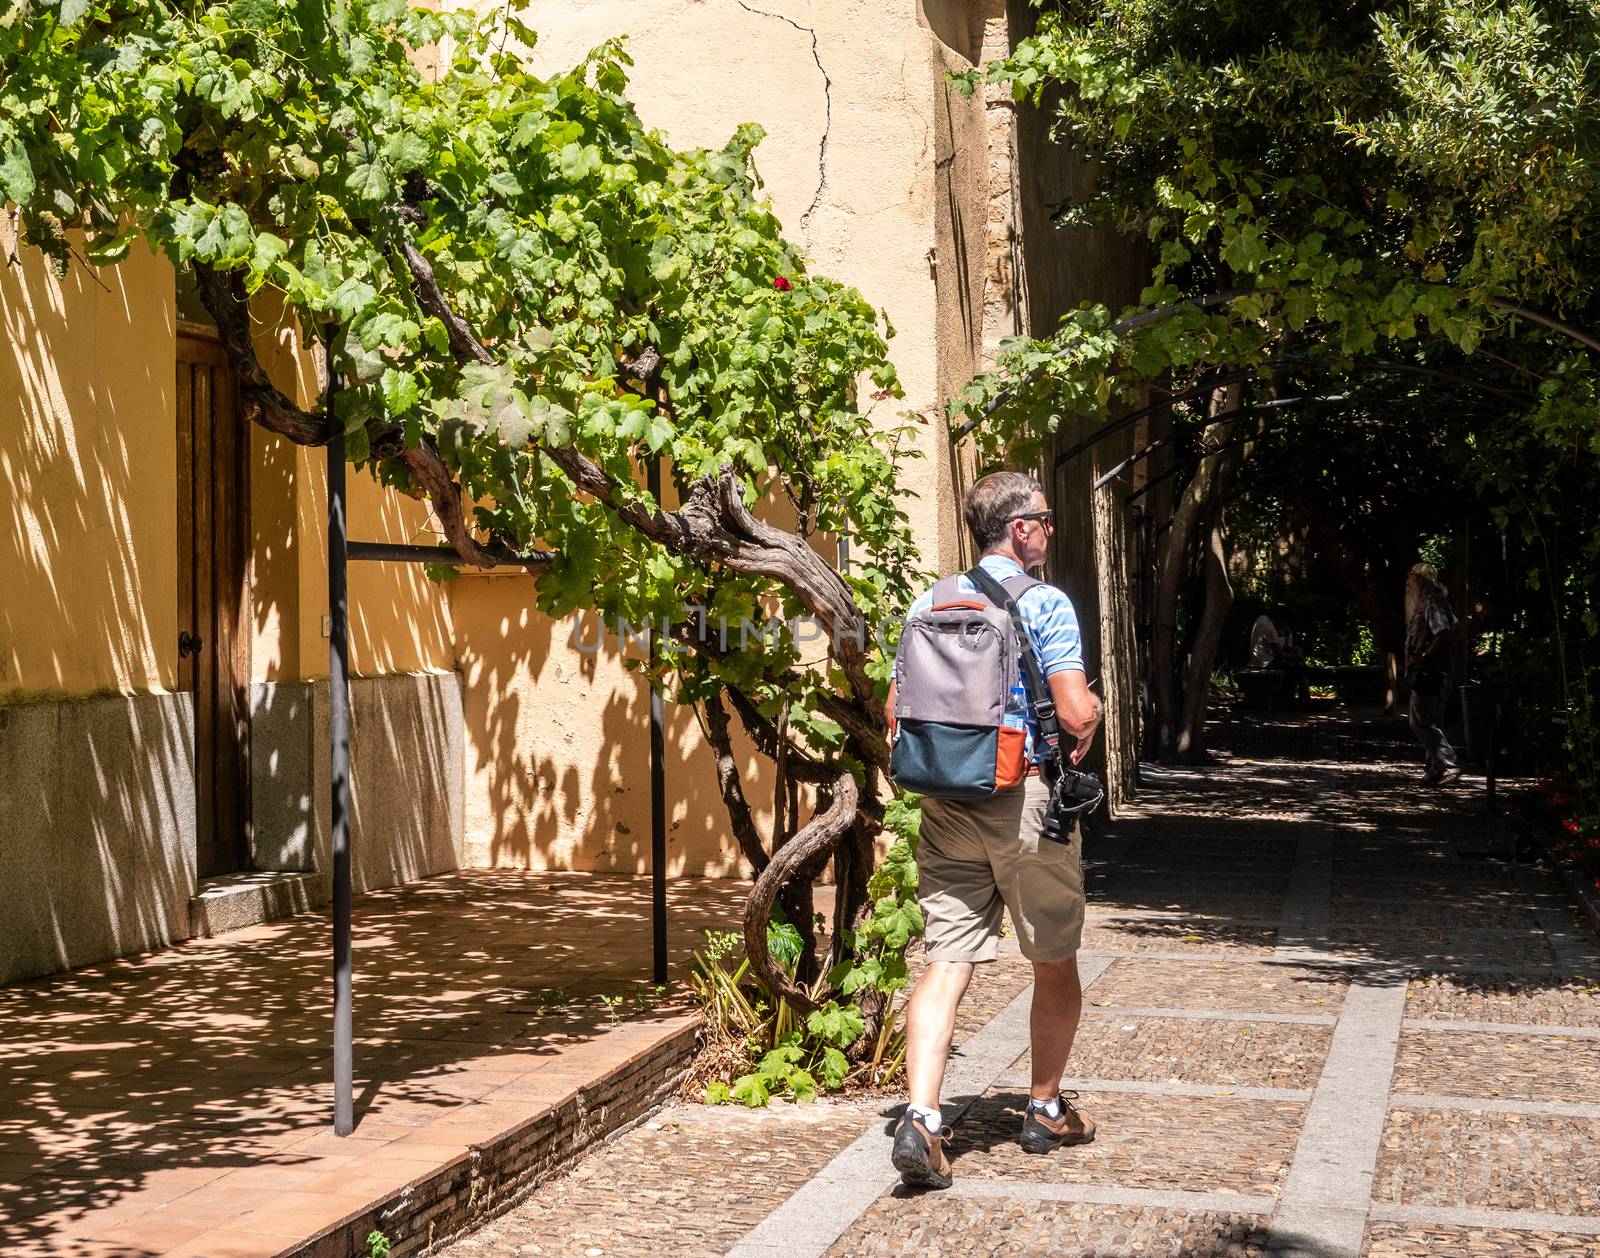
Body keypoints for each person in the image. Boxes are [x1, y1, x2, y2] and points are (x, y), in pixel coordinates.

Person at [883, 471, 1102, 1190]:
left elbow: (896, 710)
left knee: (947, 958)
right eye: (1045, 517)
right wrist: (1088, 725)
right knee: (1053, 956)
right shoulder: (1045, 602)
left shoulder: (932, 598)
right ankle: (1044, 1109)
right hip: (1024, 800)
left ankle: (922, 1118)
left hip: (945, 800)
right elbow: (1073, 713)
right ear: (1021, 528)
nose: (1049, 528)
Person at [1405, 563, 1461, 786]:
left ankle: (1449, 764)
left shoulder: (1432, 603)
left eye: (1411, 578)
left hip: (1430, 672)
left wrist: (1426, 656)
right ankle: (1435, 770)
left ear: (1421, 581)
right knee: (1430, 720)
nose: (1408, 582)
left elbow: (1444, 633)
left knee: (1420, 722)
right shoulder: (1434, 603)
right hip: (1430, 671)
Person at [1248, 606, 1308, 705]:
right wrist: (1297, 657)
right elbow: (1279, 654)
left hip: (1267, 659)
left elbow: (1285, 648)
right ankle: (1300, 699)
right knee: (1298, 667)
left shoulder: (1262, 618)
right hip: (1266, 663)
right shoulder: (1269, 628)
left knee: (1297, 657)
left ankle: (1302, 699)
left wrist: (1289, 634)